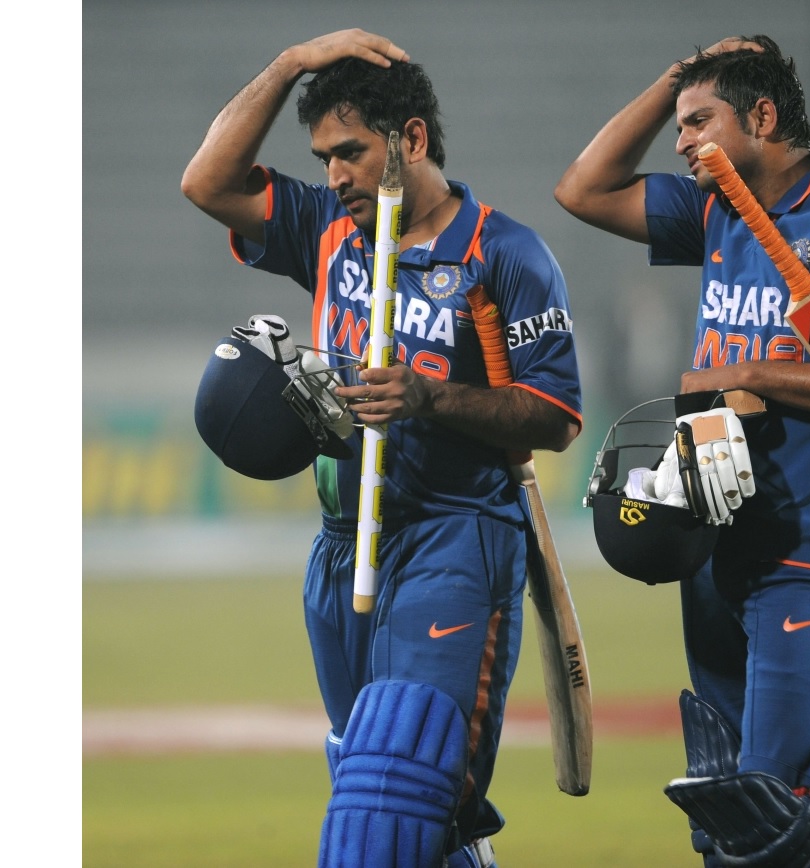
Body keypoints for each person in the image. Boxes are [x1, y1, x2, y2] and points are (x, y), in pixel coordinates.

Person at [182, 28, 582, 868]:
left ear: (413, 140)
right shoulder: (328, 228)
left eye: (352, 152)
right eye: (323, 157)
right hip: (340, 546)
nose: (334, 175)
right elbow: (207, 181)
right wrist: (290, 63)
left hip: (454, 539)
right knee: (383, 796)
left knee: (392, 796)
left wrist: (429, 396)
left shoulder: (504, 254)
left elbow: (555, 415)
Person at [555, 34, 810, 867]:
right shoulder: (718, 208)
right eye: (679, 124)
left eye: (699, 121)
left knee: (781, 813)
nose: (681, 141)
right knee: (732, 821)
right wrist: (674, 81)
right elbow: (583, 189)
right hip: (717, 536)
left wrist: (749, 372)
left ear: (762, 118)